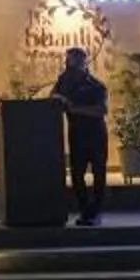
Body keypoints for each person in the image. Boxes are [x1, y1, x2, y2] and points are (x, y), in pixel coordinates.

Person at [54, 46, 110, 226]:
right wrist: (58, 100)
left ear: (83, 63)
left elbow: (101, 110)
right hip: (76, 135)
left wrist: (74, 109)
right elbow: (53, 99)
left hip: (96, 135)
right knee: (77, 174)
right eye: (68, 61)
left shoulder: (96, 85)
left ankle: (95, 211)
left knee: (98, 173)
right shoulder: (64, 81)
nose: (69, 65)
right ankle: (85, 210)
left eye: (73, 61)